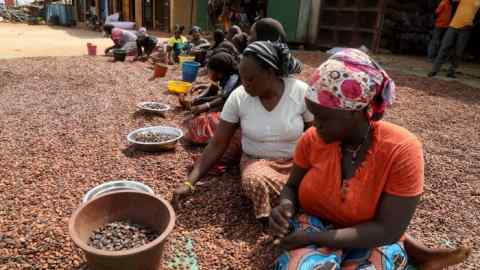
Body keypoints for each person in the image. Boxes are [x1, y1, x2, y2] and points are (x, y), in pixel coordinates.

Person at [269, 48, 471, 270]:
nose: (315, 124)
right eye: (313, 114)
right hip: (314, 224)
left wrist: (317, 240)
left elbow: (388, 230)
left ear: (356, 111)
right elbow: (292, 186)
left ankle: (415, 256)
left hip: (369, 236)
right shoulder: (312, 139)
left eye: (322, 116)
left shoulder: (401, 150)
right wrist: (285, 207)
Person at [173, 41, 313, 220]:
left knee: (318, 183)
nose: (245, 84)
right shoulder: (239, 97)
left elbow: (315, 136)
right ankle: (288, 206)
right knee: (254, 181)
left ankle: (289, 200)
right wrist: (189, 182)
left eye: (250, 79)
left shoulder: (300, 92)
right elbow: (217, 144)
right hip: (257, 163)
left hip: (296, 163)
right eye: (242, 77)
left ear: (270, 72)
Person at [181, 52, 241, 145]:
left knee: (208, 116)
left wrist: (205, 106)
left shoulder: (233, 79)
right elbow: (215, 92)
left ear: (219, 73)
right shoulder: (225, 78)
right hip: (229, 107)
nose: (208, 74)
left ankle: (210, 138)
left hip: (239, 116)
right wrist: (199, 100)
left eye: (209, 71)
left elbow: (225, 100)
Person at [429, 0, 480, 78]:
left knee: (458, 51)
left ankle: (451, 71)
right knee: (444, 48)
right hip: (453, 26)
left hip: (466, 29)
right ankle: (434, 70)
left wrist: (473, 25)